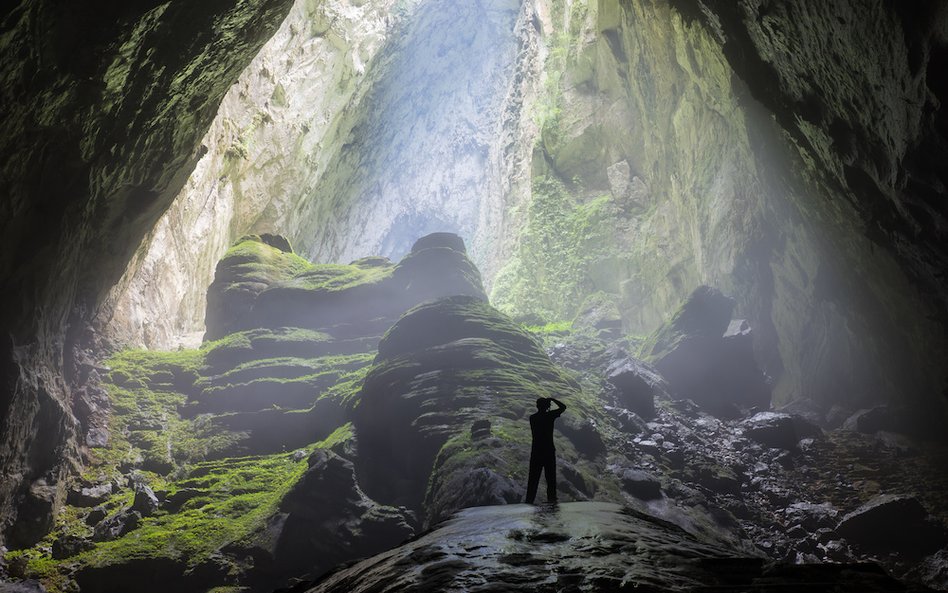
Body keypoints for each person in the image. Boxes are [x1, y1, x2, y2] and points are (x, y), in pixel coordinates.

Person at [525, 396, 567, 504]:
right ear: (547, 406)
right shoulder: (550, 416)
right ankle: (552, 502)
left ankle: (529, 501)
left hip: (536, 452)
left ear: (537, 406)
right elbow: (563, 407)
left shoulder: (532, 418)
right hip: (548, 451)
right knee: (551, 479)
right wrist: (553, 399)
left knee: (533, 479)